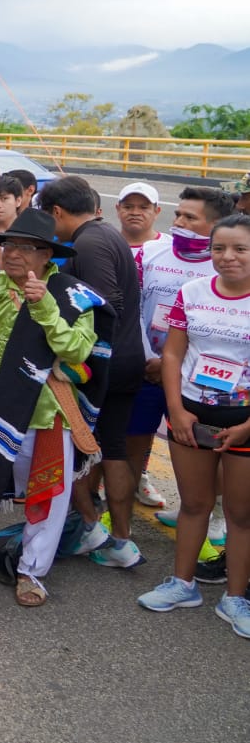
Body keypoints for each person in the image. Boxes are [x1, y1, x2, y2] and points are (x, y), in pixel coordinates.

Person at [0, 210, 110, 606]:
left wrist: (44, 307)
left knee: (48, 496)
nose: (13, 254)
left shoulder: (71, 295)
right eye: (8, 245)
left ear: (48, 256)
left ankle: (31, 572)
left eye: (26, 248)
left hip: (46, 413)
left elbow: (78, 350)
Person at [136, 213, 250, 635]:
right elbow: (172, 355)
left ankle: (235, 599)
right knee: (194, 504)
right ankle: (182, 583)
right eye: (220, 248)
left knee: (240, 515)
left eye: (240, 249)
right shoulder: (192, 291)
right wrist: (176, 411)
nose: (228, 257)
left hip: (244, 424)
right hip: (191, 415)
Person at [37, 175, 147, 563]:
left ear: (56, 212)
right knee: (112, 448)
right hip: (126, 357)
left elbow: (104, 303)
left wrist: (82, 356)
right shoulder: (106, 234)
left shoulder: (88, 242)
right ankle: (119, 540)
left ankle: (95, 528)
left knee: (75, 446)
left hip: (102, 363)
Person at [132, 187, 234, 540]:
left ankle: (216, 513)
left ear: (217, 224)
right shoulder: (150, 253)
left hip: (202, 380)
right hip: (148, 367)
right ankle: (141, 484)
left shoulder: (225, 263)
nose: (179, 223)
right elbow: (132, 308)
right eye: (178, 215)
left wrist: (174, 366)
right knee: (142, 437)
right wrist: (151, 358)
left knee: (208, 446)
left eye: (190, 217)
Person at [115, 181, 163, 251]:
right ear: (118, 210)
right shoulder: (103, 245)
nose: (135, 213)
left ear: (156, 212)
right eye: (128, 207)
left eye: (144, 208)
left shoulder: (170, 247)